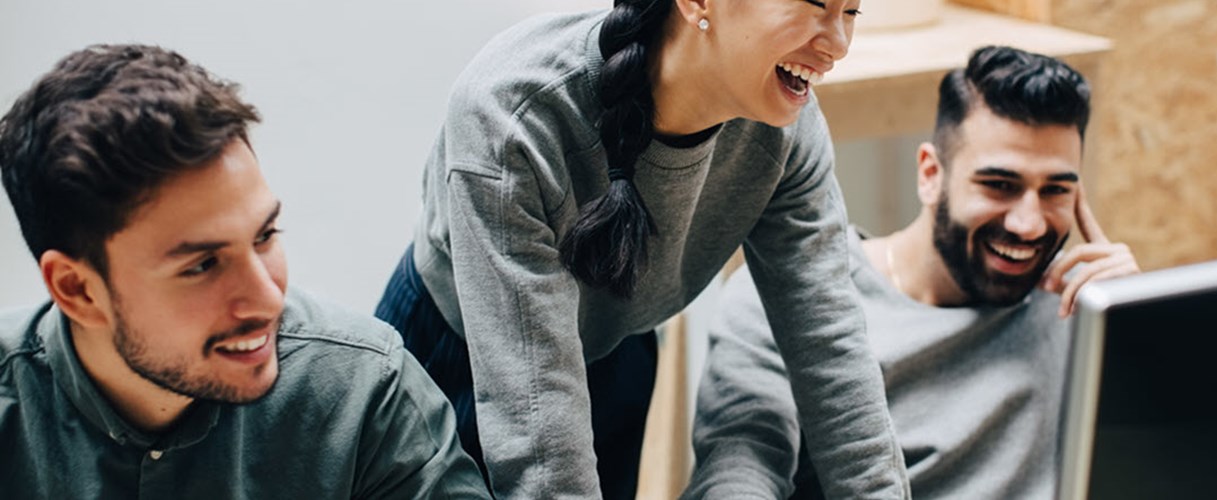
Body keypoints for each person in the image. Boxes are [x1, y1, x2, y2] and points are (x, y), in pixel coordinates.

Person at [373, 0, 909, 498]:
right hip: (450, 364)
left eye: (852, 10)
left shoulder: (789, 136)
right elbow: (539, 440)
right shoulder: (512, 115)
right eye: (815, 4)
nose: (839, 43)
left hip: (615, 355)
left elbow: (832, 352)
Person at [0, 44, 490, 499]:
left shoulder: (364, 393)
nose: (267, 299)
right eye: (203, 265)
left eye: (265, 235)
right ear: (78, 290)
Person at [685, 45, 1141, 499]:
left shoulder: (1081, 307)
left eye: (1055, 191)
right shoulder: (786, 289)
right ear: (930, 174)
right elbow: (742, 463)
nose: (1029, 224)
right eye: (1000, 185)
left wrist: (1144, 338)